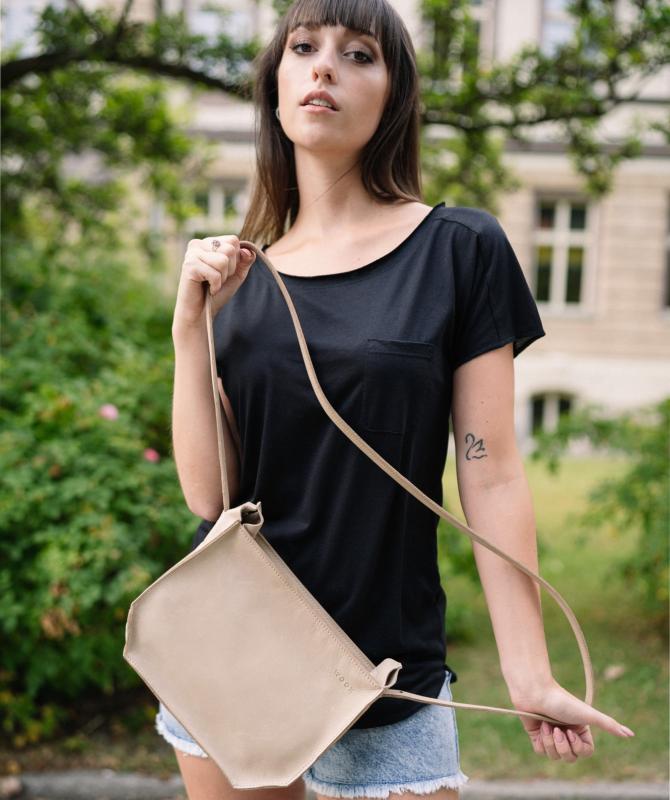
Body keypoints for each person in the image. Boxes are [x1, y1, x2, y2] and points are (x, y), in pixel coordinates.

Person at [160, 1, 636, 798]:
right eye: (304, 48)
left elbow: (491, 473)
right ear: (275, 85)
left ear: (394, 96)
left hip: (385, 672)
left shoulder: (459, 250)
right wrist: (188, 333)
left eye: (358, 54)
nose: (324, 66)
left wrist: (528, 671)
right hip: (233, 649)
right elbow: (211, 497)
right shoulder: (241, 279)